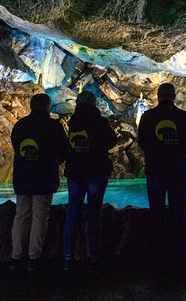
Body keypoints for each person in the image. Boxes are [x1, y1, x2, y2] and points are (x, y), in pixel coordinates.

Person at [10, 93, 69, 272]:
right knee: (39, 216)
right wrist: (52, 162)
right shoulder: (53, 126)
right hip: (43, 177)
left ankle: (16, 257)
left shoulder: (20, 125)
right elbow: (64, 150)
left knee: (21, 215)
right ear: (47, 107)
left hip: (22, 177)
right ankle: (34, 258)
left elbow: (16, 147)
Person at [137, 83, 186, 265]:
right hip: (176, 169)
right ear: (174, 96)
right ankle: (178, 253)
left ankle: (157, 254)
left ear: (158, 96)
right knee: (178, 212)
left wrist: (155, 152)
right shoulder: (183, 116)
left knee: (156, 212)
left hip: (156, 170)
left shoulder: (148, 116)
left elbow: (142, 142)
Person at [63, 91, 117, 273]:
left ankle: (68, 258)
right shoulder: (99, 121)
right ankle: (94, 258)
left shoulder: (73, 122)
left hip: (76, 173)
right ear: (94, 104)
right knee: (93, 214)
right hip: (95, 172)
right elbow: (111, 141)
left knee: (72, 213)